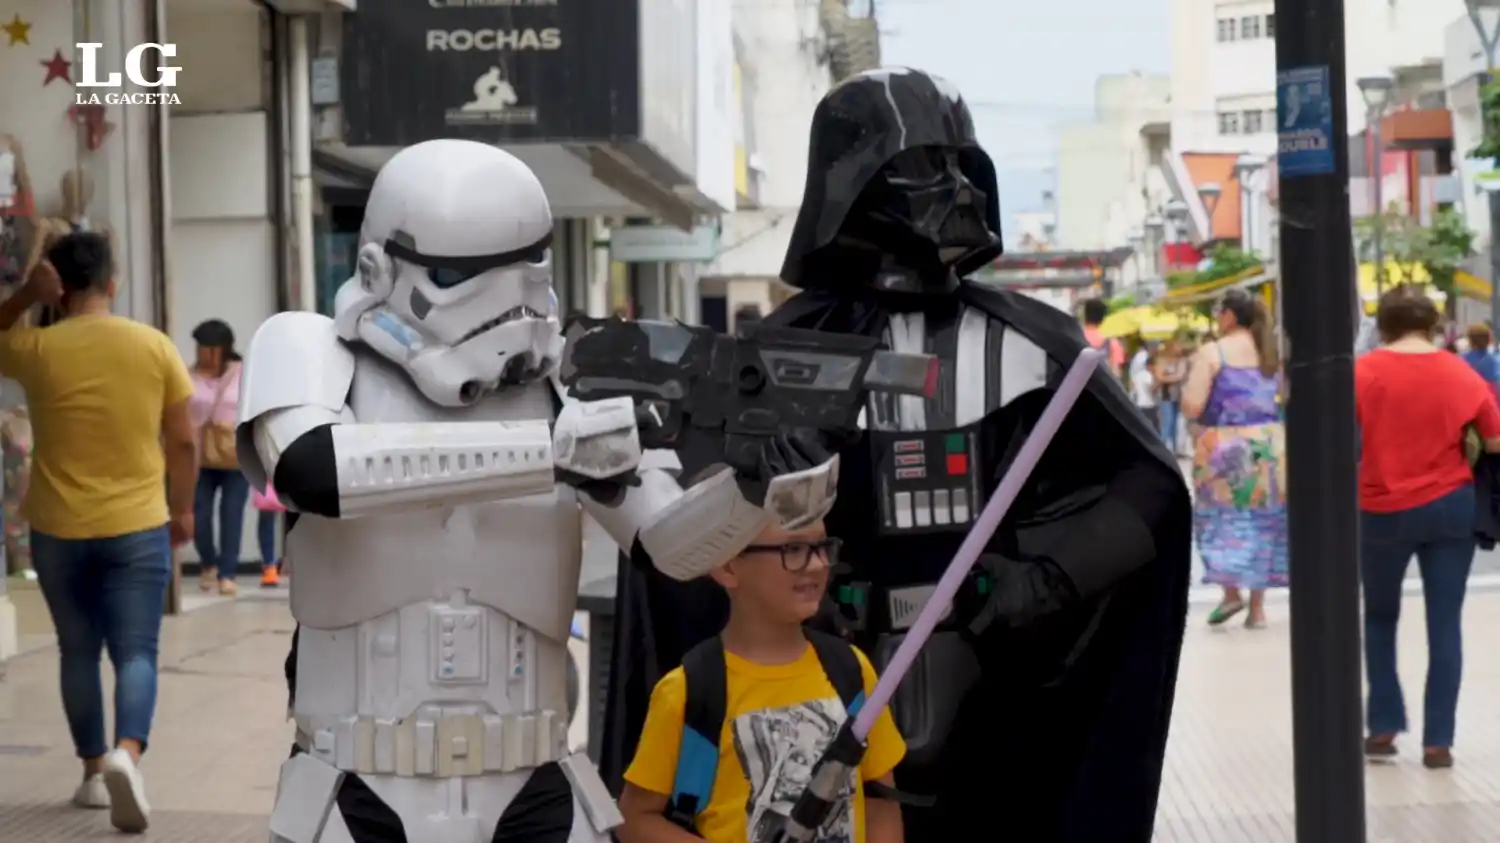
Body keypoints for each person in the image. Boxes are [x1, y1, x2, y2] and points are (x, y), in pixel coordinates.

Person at [599, 68, 1193, 843]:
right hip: (821, 674)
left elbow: (1150, 486)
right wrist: (765, 491)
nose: (958, 190)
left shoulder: (1034, 345)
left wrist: (1048, 576)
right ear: (853, 185)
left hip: (996, 676)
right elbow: (687, 543)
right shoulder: (773, 356)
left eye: (965, 167)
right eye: (925, 167)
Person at [248, 140, 840, 842]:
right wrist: (554, 454)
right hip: (355, 784)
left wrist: (753, 487)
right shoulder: (311, 350)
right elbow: (310, 469)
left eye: (521, 271)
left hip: (534, 785)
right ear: (381, 268)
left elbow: (672, 547)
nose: (502, 305)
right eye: (459, 276)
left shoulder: (569, 383)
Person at [0, 231, 196, 833]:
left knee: (78, 651)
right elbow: (183, 442)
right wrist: (183, 509)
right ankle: (126, 754)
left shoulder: (38, 348)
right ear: (112, 283)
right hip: (137, 524)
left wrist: (24, 297)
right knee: (136, 651)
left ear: (58, 289)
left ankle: (91, 772)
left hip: (58, 528)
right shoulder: (154, 347)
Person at [617, 519, 906, 843]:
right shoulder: (687, 692)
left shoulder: (851, 669)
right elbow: (635, 819)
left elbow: (880, 799)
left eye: (823, 547)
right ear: (728, 567)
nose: (817, 564)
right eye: (793, 549)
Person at [1355, 288, 1500, 770]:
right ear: (1433, 325)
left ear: (1384, 325)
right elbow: (1494, 439)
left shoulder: (1362, 372)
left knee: (1380, 616)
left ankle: (1383, 726)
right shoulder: (1460, 372)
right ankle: (1439, 742)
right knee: (1445, 622)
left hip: (1381, 506)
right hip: (1451, 506)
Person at [1180, 288, 1286, 629]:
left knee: (1222, 521)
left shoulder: (1213, 351)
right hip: (1269, 445)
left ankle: (1230, 594)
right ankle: (1257, 609)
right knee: (1264, 522)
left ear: (1229, 315)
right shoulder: (1269, 351)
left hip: (1225, 446)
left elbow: (1192, 406)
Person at [187, 319, 253, 595]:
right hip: (199, 456)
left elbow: (254, 407)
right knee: (199, 513)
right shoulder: (188, 375)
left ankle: (227, 573)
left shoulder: (243, 372)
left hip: (235, 454)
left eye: (207, 347)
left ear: (221, 349)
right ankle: (208, 563)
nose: (202, 352)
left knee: (231, 513)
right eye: (200, 346)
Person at [1153, 337, 1190, 454]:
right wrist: (1175, 377)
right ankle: (1163, 448)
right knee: (1167, 422)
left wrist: (1173, 377)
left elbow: (1183, 375)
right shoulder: (1161, 360)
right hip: (1166, 395)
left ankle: (1174, 449)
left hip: (1177, 395)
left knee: (1175, 423)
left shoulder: (1181, 360)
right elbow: (1159, 377)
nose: (1180, 348)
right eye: (1177, 345)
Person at [1079, 298, 1125, 377]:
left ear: (1084, 315)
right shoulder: (1112, 343)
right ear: (1103, 318)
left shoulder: (1074, 338)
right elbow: (1116, 373)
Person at [1461, 323, 1500, 401]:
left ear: (1470, 340)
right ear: (1489, 339)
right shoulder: (1496, 357)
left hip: (1473, 400)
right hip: (1493, 400)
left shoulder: (1463, 360)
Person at [1128, 339, 1158, 432]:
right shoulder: (1148, 375)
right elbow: (1151, 389)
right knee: (1153, 428)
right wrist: (1158, 383)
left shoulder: (1137, 374)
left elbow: (1132, 383)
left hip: (1139, 404)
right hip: (1149, 405)